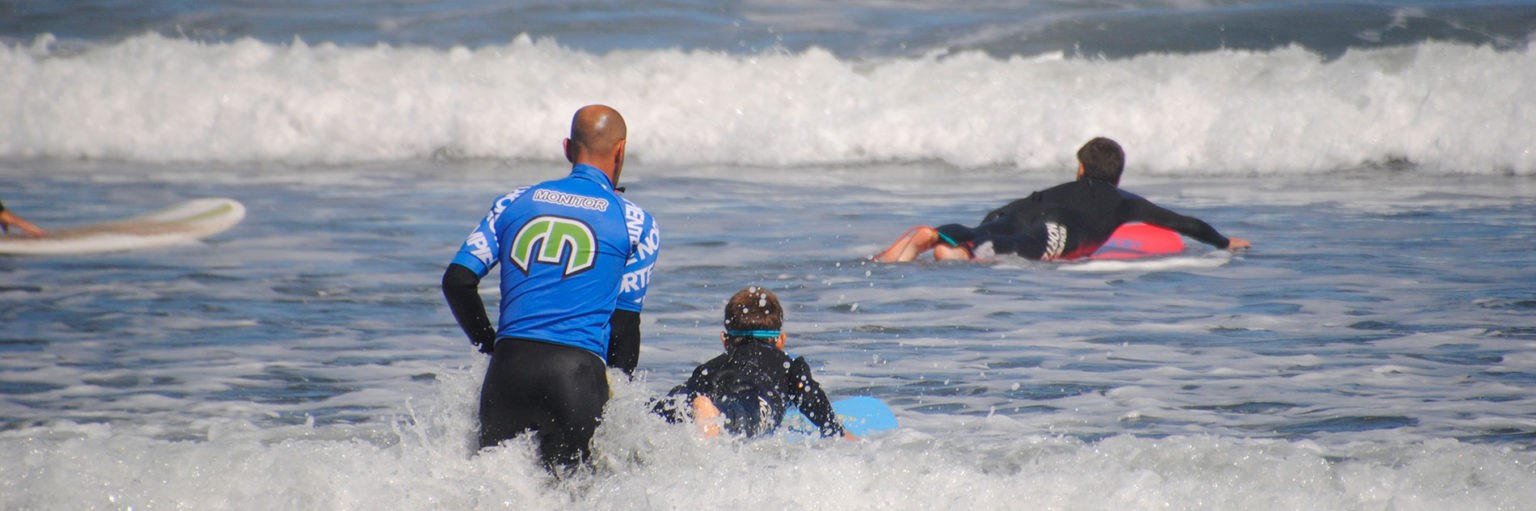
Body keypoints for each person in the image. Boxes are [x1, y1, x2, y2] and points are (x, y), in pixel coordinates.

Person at [441, 104, 661, 470]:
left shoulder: (513, 202)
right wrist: (619, 408)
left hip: (507, 374)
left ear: (566, 148)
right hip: (575, 380)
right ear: (620, 150)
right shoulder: (637, 223)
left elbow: (458, 281)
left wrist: (491, 346)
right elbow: (624, 328)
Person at [873, 137, 1250, 262]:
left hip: (1026, 205)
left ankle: (938, 235)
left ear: (1081, 170)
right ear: (1117, 176)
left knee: (986, 230)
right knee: (1018, 245)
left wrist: (988, 223)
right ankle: (963, 251)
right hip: (1063, 228)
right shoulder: (1125, 202)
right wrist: (1223, 241)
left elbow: (1004, 213)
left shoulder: (1062, 187)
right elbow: (1184, 224)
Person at [653, 286, 855, 440]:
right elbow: (810, 397)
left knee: (674, 406)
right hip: (754, 399)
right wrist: (836, 430)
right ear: (781, 340)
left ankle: (699, 408)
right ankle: (708, 412)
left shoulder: (708, 367)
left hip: (711, 388)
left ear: (725, 340)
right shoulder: (789, 366)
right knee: (741, 417)